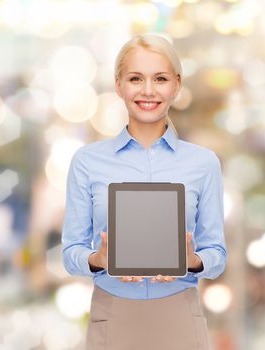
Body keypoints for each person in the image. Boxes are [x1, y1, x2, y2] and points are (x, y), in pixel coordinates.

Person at [61, 33, 227, 350]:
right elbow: (71, 254)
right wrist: (98, 258)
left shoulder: (203, 163)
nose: (148, 90)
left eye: (160, 79)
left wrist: (193, 261)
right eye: (136, 78)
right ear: (119, 85)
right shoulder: (87, 162)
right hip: (113, 314)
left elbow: (217, 254)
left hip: (179, 313)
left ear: (176, 85)